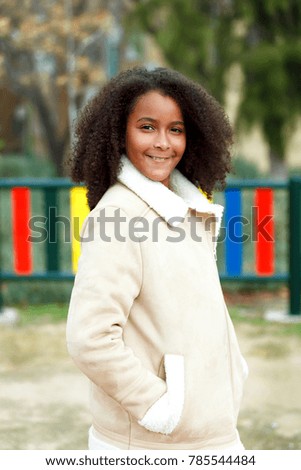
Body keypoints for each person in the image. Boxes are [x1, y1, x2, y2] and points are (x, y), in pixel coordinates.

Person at [66, 67, 248, 451]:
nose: (163, 142)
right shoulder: (119, 217)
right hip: (154, 444)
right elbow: (90, 338)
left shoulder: (187, 209)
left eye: (176, 129)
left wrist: (233, 372)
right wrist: (161, 407)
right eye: (147, 127)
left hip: (207, 432)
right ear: (119, 134)